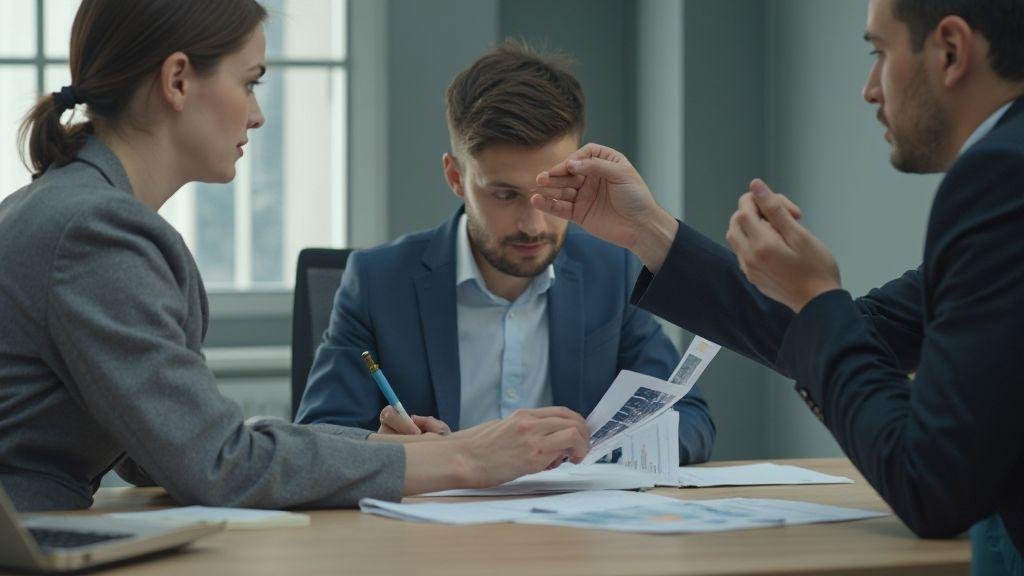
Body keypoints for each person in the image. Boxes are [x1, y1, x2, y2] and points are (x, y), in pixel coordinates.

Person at [0, 0, 589, 513]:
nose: (257, 113)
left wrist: (392, 450)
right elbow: (217, 464)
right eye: (250, 81)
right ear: (178, 80)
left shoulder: (78, 209)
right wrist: (466, 459)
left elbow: (160, 452)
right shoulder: (96, 230)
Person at [529, 0, 1023, 572]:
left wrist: (816, 298)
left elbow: (931, 486)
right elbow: (862, 335)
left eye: (879, 53)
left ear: (951, 51)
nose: (869, 89)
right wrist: (649, 231)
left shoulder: (999, 179)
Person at [295, 40, 715, 464]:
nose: (534, 225)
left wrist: (597, 454)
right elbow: (316, 439)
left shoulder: (614, 271)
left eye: (554, 192)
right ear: (456, 177)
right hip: (436, 528)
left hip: (573, 525)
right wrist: (387, 450)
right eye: (505, 194)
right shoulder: (376, 281)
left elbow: (689, 420)